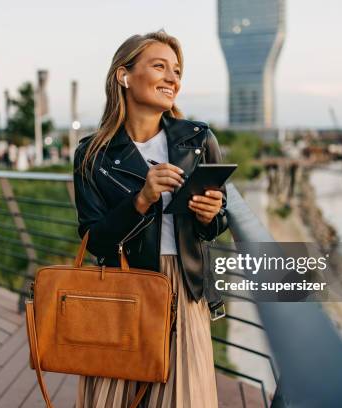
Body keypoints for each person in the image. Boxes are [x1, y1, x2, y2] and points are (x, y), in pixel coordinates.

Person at [73, 30, 228, 408]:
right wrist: (141, 198)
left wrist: (211, 216)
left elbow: (220, 219)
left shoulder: (198, 139)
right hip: (124, 288)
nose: (173, 78)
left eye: (176, 70)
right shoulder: (92, 155)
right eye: (160, 66)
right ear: (123, 76)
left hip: (185, 289)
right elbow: (95, 240)